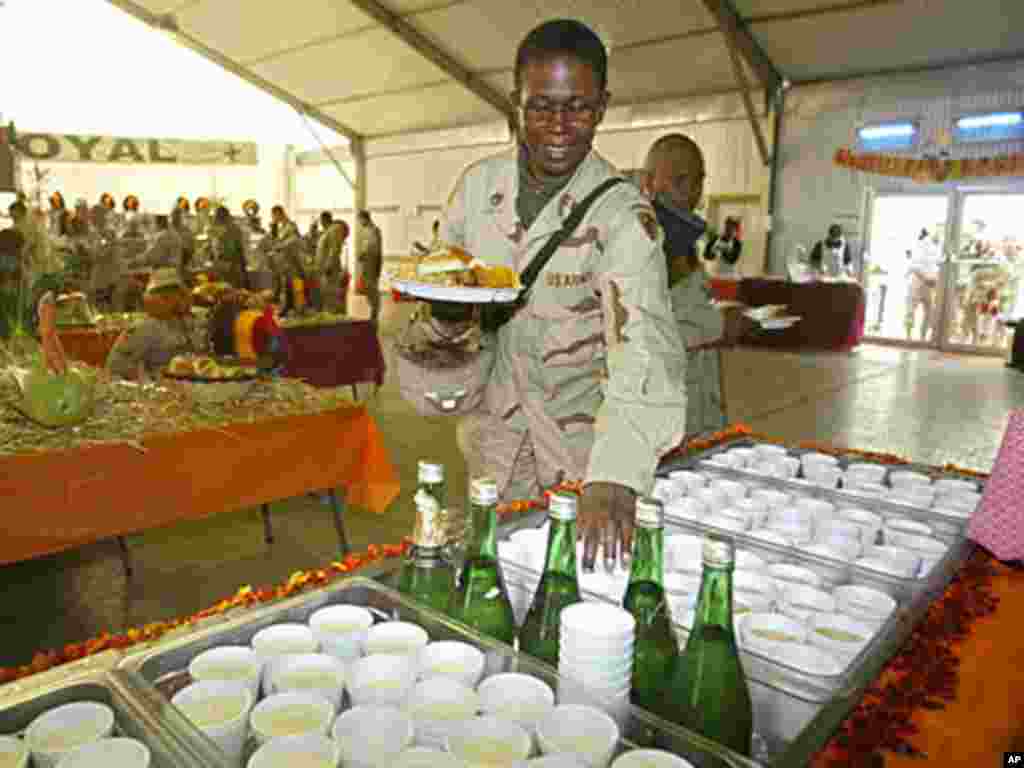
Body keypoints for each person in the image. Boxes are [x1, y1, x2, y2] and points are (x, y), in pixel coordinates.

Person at [394, 18, 687, 572]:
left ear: (602, 105)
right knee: (493, 581)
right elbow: (443, 297)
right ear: (516, 102)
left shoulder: (622, 217)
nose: (558, 125)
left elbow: (644, 345)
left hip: (582, 457)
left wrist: (617, 475)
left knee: (568, 593)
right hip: (493, 444)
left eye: (577, 107)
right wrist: (447, 317)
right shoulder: (478, 191)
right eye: (541, 106)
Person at [641, 133, 726, 438]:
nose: (691, 193)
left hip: (699, 409)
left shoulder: (682, 237)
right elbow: (640, 335)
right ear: (649, 182)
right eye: (679, 181)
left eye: (698, 181)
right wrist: (720, 326)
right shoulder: (640, 242)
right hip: (659, 420)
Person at [106, 268, 196, 380]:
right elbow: (115, 366)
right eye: (166, 297)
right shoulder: (143, 328)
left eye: (179, 295)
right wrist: (147, 380)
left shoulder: (182, 323)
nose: (177, 301)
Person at [905, 228, 941, 341]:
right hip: (921, 281)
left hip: (925, 282)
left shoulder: (933, 247)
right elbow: (914, 266)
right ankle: (915, 336)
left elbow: (914, 266)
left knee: (922, 311)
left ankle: (916, 337)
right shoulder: (925, 245)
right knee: (917, 311)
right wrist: (928, 278)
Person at [269, 204, 306, 312]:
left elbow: (294, 240)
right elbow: (275, 242)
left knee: (292, 286)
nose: (273, 218)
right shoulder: (281, 227)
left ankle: (295, 308)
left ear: (279, 213)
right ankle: (287, 308)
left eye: (274, 216)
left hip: (291, 262)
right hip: (283, 262)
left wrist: (279, 246)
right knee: (286, 286)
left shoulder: (291, 226)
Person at [317, 211, 350, 314]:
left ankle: (336, 317)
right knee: (328, 295)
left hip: (331, 270)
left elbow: (335, 249)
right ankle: (332, 315)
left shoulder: (334, 230)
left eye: (321, 221)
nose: (321, 224)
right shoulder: (328, 231)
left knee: (332, 294)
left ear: (325, 219)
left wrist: (329, 265)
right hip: (325, 269)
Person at [356, 210, 382, 323]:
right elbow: (366, 245)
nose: (359, 222)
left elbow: (374, 248)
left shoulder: (374, 230)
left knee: (372, 288)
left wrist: (364, 253)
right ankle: (373, 309)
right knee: (367, 288)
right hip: (366, 263)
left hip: (372, 262)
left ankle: (375, 312)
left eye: (360, 219)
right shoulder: (364, 230)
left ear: (365, 218)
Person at [213, 206, 249, 289]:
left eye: (218, 216)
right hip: (231, 263)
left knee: (230, 289)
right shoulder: (232, 227)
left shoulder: (230, 229)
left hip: (231, 263)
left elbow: (234, 248)